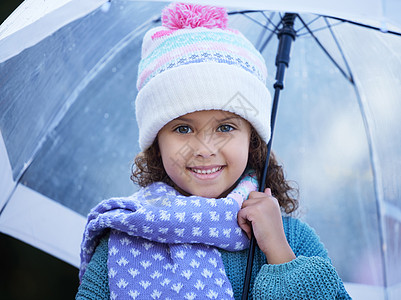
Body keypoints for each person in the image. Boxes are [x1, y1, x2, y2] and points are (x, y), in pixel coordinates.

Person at [76, 3, 351, 299]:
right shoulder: (125, 237)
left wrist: (279, 254)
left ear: (252, 140)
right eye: (183, 129)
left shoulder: (293, 240)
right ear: (157, 142)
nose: (206, 149)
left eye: (225, 128)